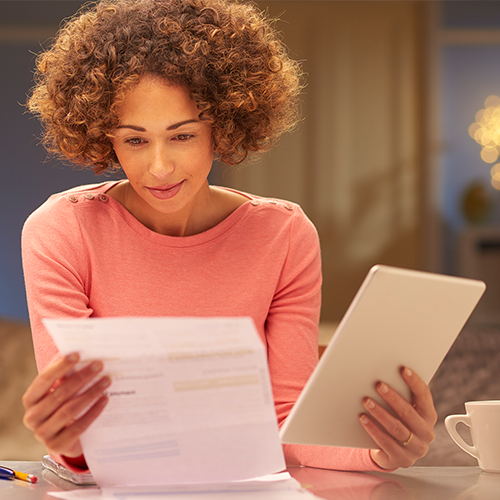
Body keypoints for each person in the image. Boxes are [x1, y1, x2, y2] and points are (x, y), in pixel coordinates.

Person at [21, 0, 437, 475]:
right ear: (104, 136)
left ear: (222, 124)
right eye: (135, 140)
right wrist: (71, 442)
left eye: (182, 136)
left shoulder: (283, 235)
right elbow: (77, 428)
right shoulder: (62, 230)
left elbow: (288, 423)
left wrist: (379, 452)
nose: (159, 167)